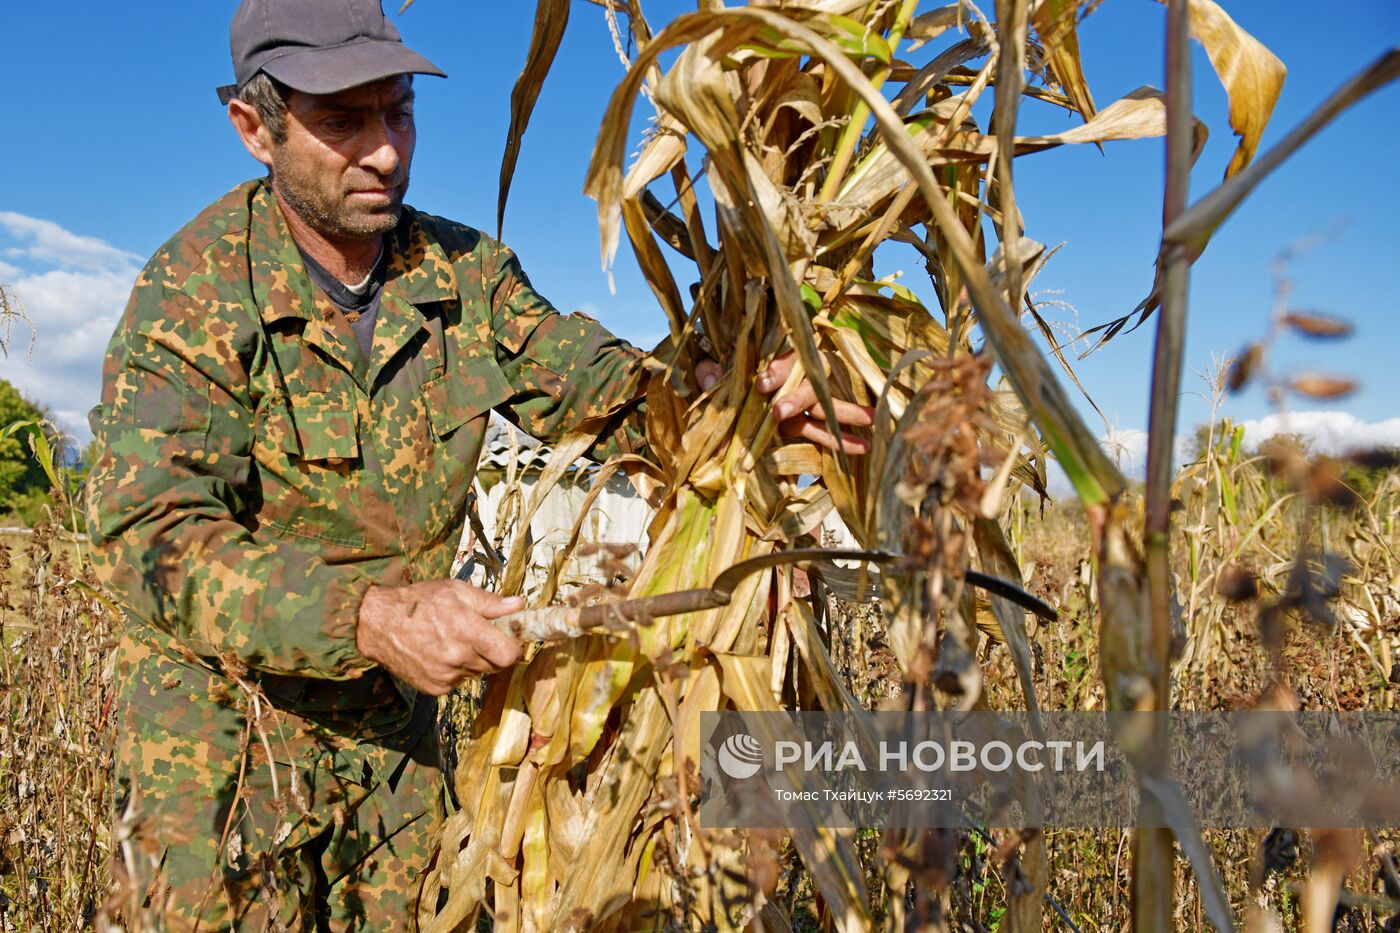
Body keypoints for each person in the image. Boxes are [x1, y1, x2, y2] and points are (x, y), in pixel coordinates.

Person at [85, 0, 874, 928]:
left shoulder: (463, 272)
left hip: (395, 758)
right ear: (254, 127)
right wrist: (371, 615)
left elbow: (609, 388)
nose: (384, 151)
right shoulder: (194, 290)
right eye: (342, 120)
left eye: (400, 110)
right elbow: (152, 543)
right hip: (221, 761)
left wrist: (731, 391)